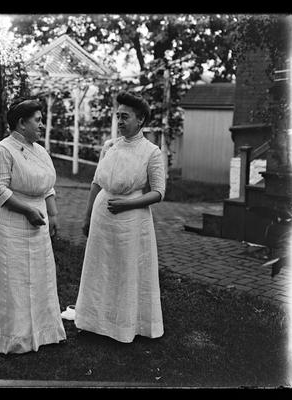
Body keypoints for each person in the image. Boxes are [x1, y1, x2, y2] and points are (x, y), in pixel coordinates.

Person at [0, 99, 66, 353]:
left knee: (35, 276)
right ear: (21, 124)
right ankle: (6, 335)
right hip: (6, 223)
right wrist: (26, 210)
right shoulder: (2, 151)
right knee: (9, 278)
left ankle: (39, 331)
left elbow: (48, 185)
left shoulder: (40, 151)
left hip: (37, 220)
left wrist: (52, 213)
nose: (42, 125)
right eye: (38, 120)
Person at [75, 91, 166, 343]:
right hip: (102, 215)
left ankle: (124, 325)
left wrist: (128, 204)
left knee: (125, 269)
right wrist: (86, 215)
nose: (120, 121)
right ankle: (96, 320)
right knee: (100, 266)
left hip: (131, 220)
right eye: (118, 116)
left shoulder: (151, 152)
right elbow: (96, 182)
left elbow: (159, 192)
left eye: (125, 117)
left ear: (141, 120)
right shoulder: (110, 146)